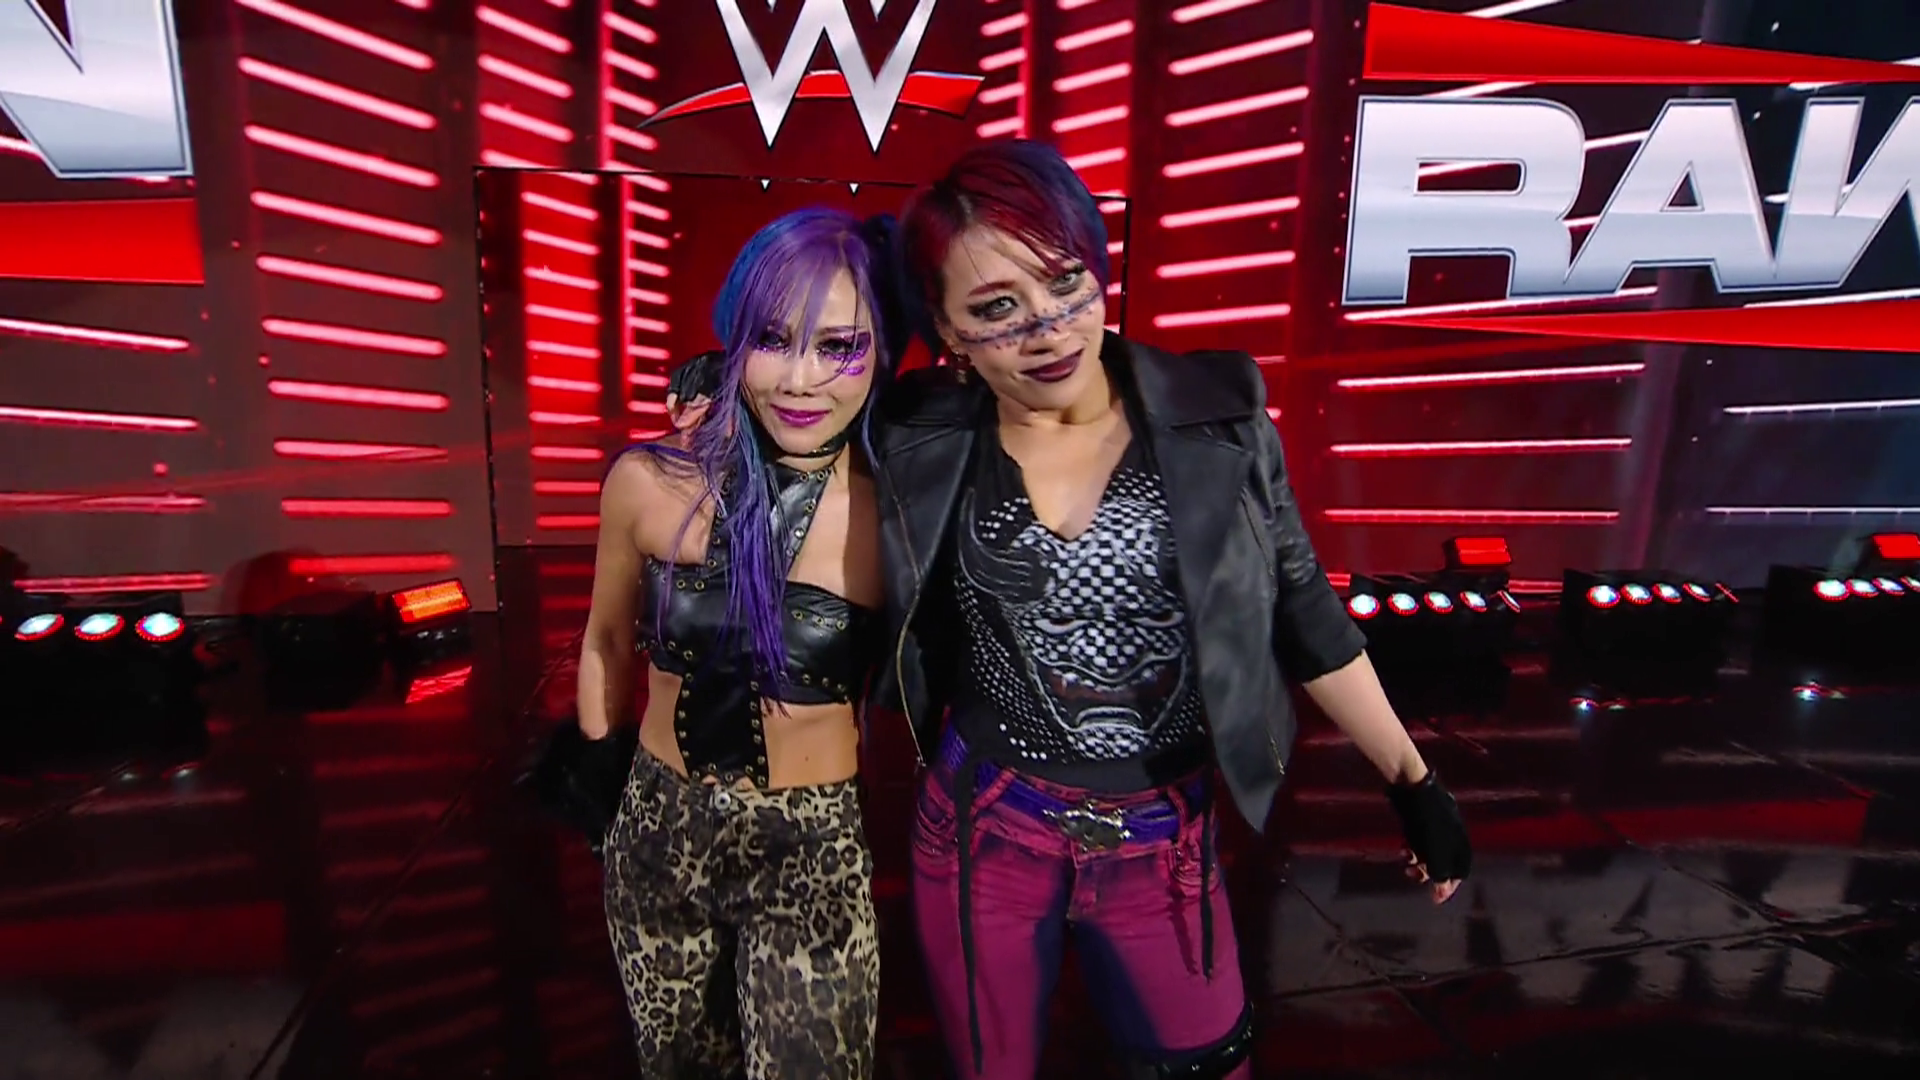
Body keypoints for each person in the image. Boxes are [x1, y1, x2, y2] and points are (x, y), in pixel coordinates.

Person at [667, 139, 1473, 1080]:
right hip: (986, 830)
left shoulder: (1221, 415)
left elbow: (1307, 613)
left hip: (1166, 836)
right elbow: (815, 390)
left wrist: (1414, 782)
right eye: (996, 309)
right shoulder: (919, 430)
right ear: (947, 328)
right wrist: (728, 374)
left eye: (1064, 283)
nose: (1048, 329)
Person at [578, 206, 906, 1079]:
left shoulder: (899, 514)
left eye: (839, 347)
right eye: (772, 339)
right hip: (658, 834)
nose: (801, 379)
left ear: (883, 352)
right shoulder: (647, 482)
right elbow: (605, 640)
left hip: (811, 849)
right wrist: (605, 798)